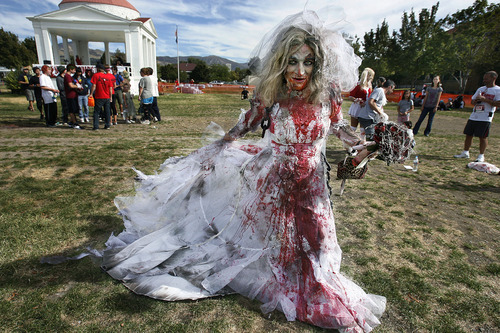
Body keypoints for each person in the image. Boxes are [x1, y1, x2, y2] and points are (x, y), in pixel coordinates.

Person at [100, 11, 389, 332]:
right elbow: (248, 123)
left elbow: (339, 130)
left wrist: (367, 146)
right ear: (282, 61)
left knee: (319, 244)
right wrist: (221, 145)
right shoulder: (271, 93)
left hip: (312, 185)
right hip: (274, 180)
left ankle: (318, 285)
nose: (299, 70)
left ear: (318, 65)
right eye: (292, 61)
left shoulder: (329, 95)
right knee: (267, 243)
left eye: (308, 62)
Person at [454, 71, 500, 162]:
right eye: (484, 78)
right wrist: (475, 101)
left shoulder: (498, 90)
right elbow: (472, 101)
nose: (484, 80)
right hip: (474, 115)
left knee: (482, 136)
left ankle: (481, 155)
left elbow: (498, 104)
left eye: (486, 78)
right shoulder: (481, 89)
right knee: (468, 134)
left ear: (493, 78)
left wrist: (485, 99)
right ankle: (465, 152)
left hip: (485, 117)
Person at [347, 67, 374, 134]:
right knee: (353, 128)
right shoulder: (358, 85)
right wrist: (358, 101)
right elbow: (350, 97)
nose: (371, 78)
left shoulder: (369, 86)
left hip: (366, 108)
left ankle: (362, 143)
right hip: (357, 108)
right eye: (371, 75)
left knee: (363, 129)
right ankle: (350, 142)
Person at [90, 64, 113, 130]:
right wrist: (110, 96)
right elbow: (110, 88)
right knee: (107, 111)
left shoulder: (96, 75)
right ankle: (107, 124)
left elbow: (94, 85)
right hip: (107, 96)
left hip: (99, 96)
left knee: (97, 112)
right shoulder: (108, 77)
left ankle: (96, 126)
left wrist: (91, 93)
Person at [64, 64, 82, 129]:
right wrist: (78, 86)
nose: (75, 71)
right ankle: (75, 123)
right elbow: (71, 85)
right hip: (70, 95)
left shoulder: (70, 76)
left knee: (74, 109)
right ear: (70, 69)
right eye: (74, 69)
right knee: (72, 110)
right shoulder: (67, 76)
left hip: (74, 95)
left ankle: (71, 122)